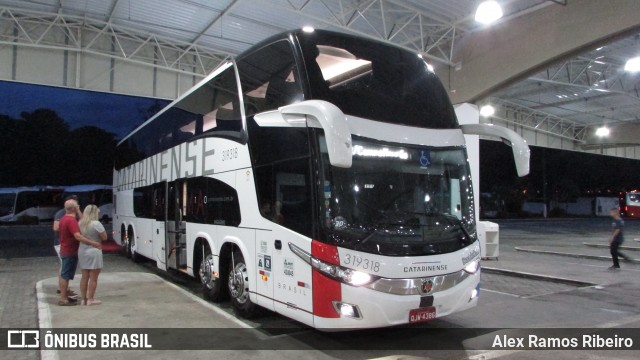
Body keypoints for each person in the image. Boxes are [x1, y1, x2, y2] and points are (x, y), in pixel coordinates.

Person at [58, 199, 101, 306]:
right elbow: (78, 236)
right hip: (69, 250)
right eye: (77, 206)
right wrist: (93, 243)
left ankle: (65, 296)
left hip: (66, 249)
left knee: (66, 274)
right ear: (74, 208)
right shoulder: (71, 221)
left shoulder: (64, 218)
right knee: (65, 275)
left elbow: (82, 222)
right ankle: (63, 299)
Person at [52, 195, 81, 297]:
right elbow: (56, 227)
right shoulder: (64, 216)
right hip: (61, 243)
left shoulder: (73, 216)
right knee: (65, 268)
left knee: (65, 267)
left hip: (68, 245)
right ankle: (63, 292)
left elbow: (83, 221)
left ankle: (64, 290)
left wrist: (78, 212)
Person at [78, 204, 107, 306]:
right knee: (93, 277)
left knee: (84, 276)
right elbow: (104, 237)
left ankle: (83, 299)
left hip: (82, 251)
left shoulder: (80, 223)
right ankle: (91, 299)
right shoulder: (96, 224)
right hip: (94, 250)